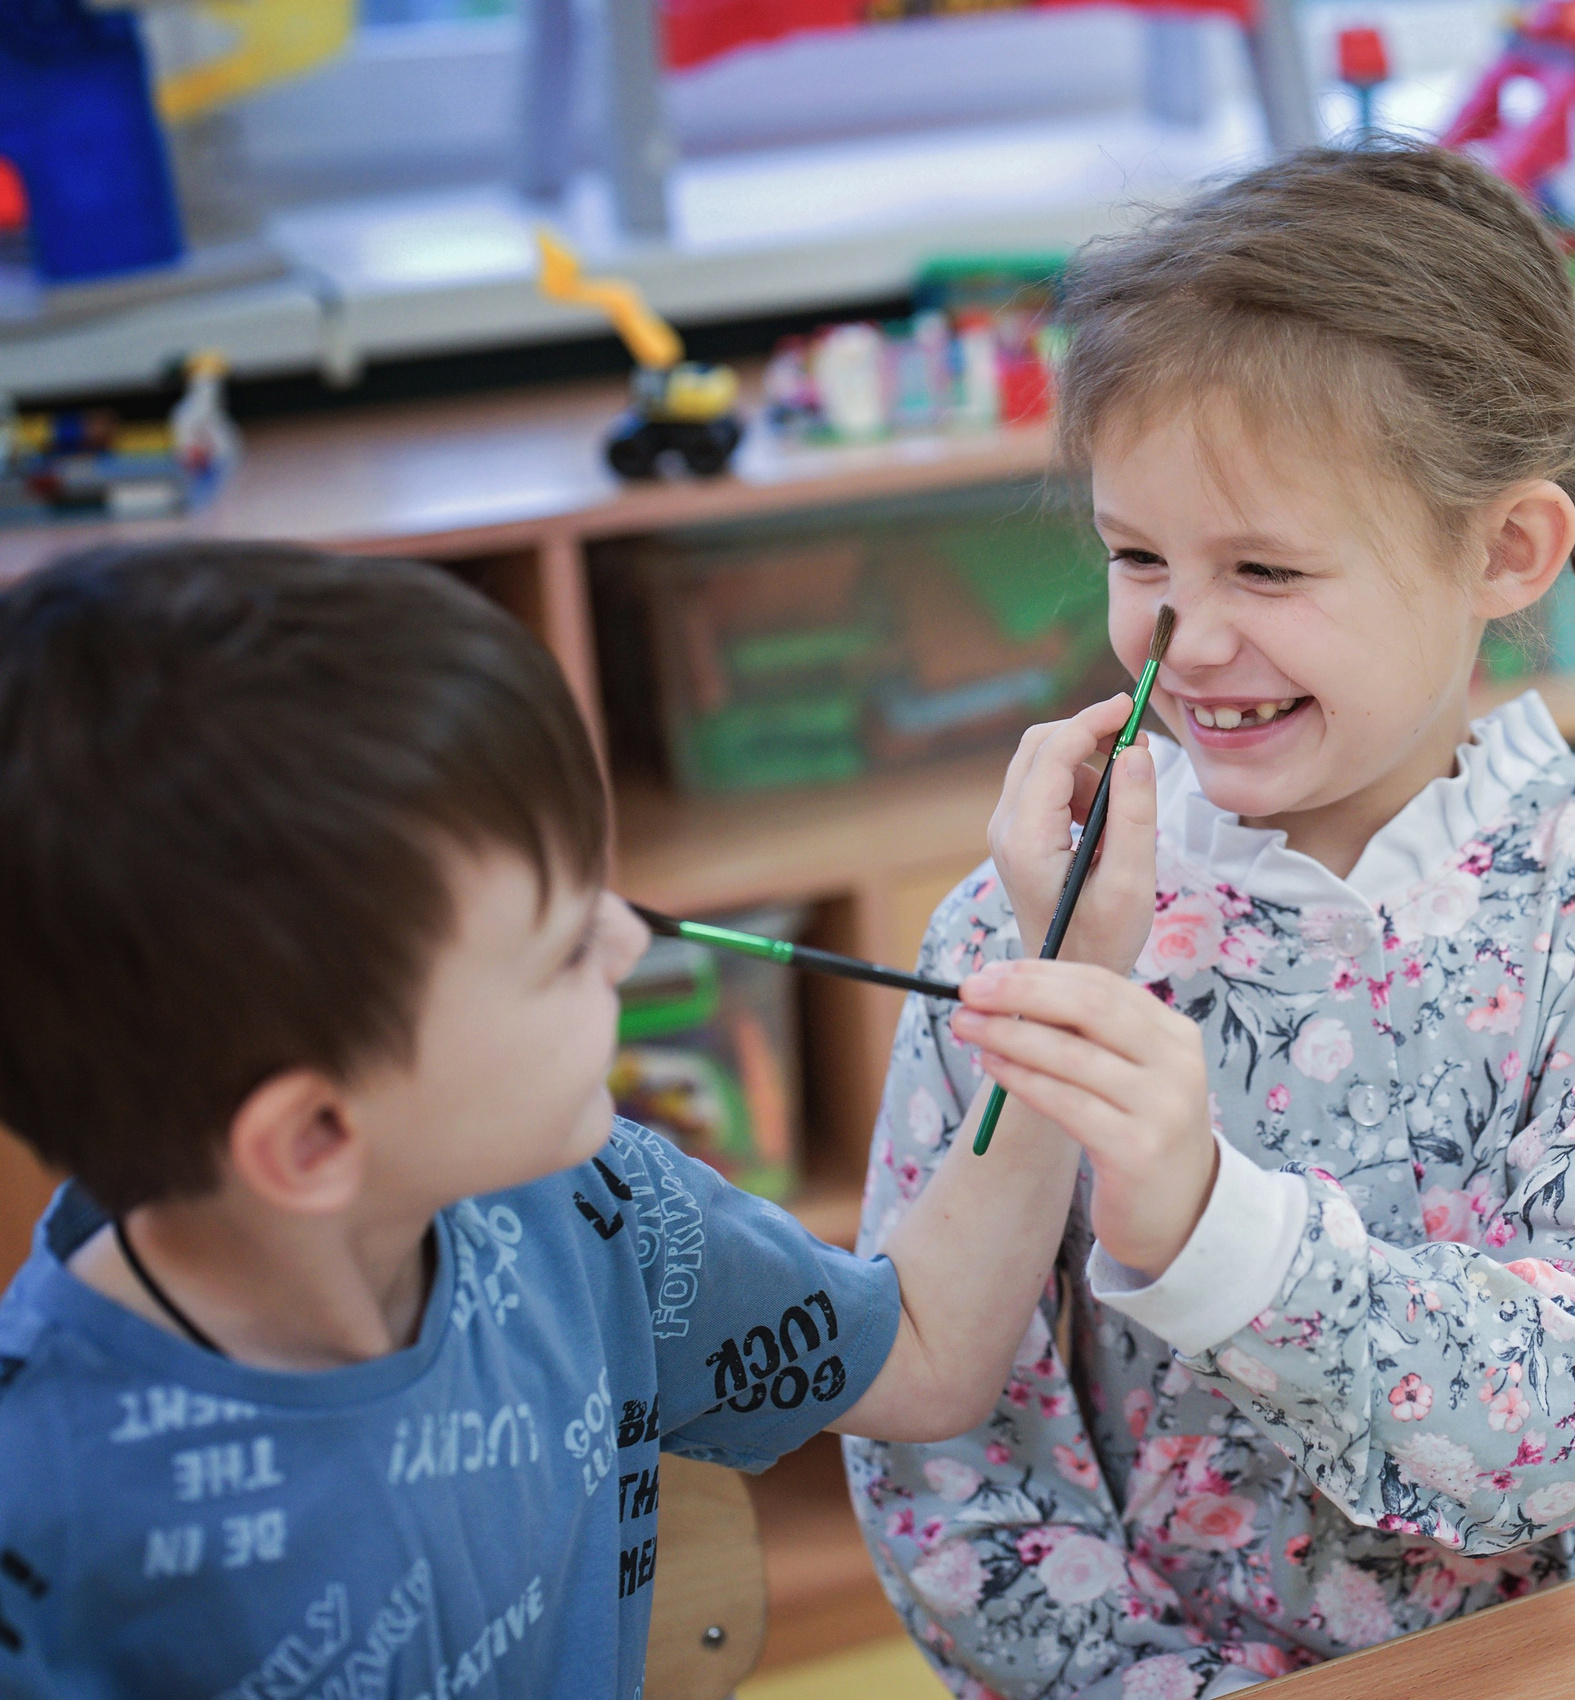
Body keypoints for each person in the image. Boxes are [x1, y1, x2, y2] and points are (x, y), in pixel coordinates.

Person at [848, 144, 1575, 1699]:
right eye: (1139, 556)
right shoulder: (1020, 929)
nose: (1187, 637)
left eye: (1266, 569)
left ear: (1505, 553)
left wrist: (1219, 1236)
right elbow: (950, 1481)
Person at [0, 543, 1095, 1694]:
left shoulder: (589, 1208)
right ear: (314, 1137)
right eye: (564, 946)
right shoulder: (46, 1520)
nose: (628, 941)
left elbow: (920, 1346)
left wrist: (1069, 974)